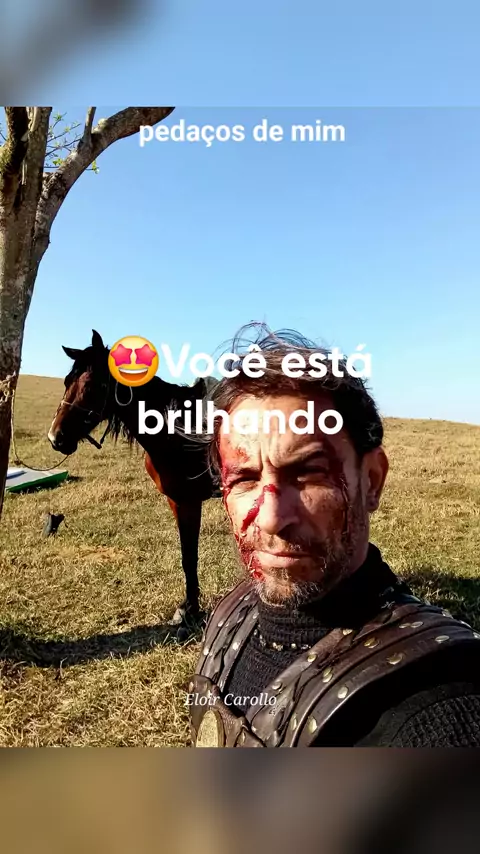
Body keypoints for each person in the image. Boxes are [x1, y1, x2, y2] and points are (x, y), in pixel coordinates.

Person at [188, 325, 480, 747]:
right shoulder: (230, 616)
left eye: (308, 473)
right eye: (246, 478)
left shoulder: (440, 709)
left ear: (372, 480)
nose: (271, 518)